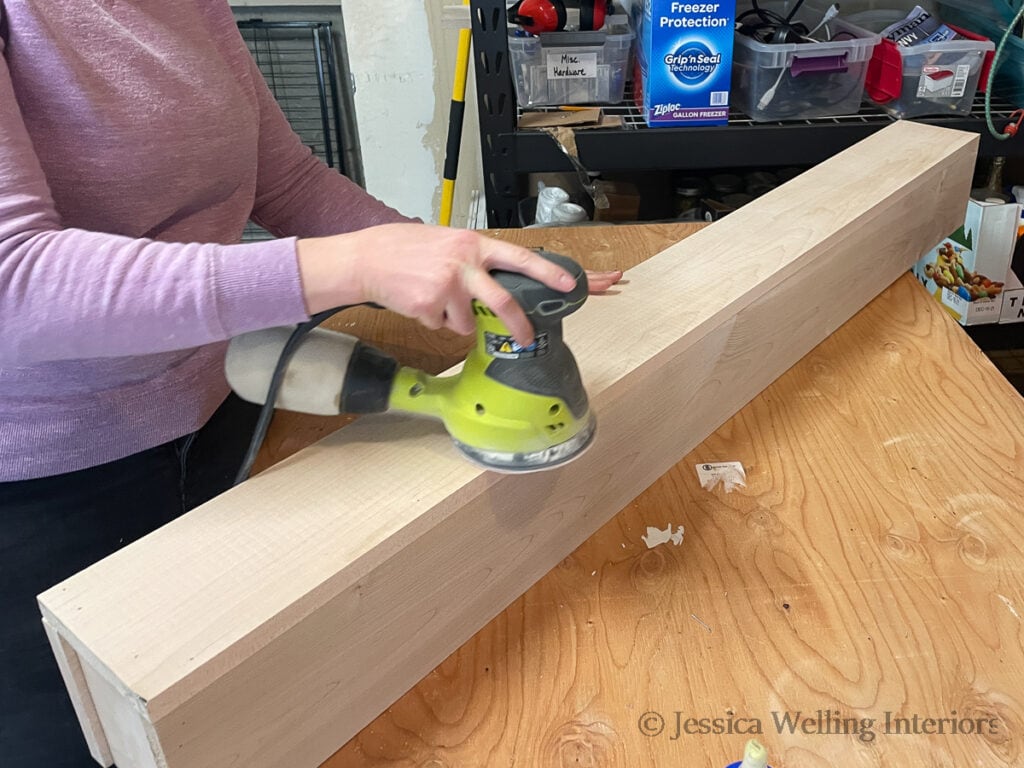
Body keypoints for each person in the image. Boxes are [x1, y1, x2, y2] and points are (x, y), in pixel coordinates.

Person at [0, 2, 622, 765]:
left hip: (216, 407)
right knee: (85, 743)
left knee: (238, 713)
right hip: (40, 486)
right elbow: (14, 285)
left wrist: (466, 265)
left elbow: (286, 179)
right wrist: (356, 267)